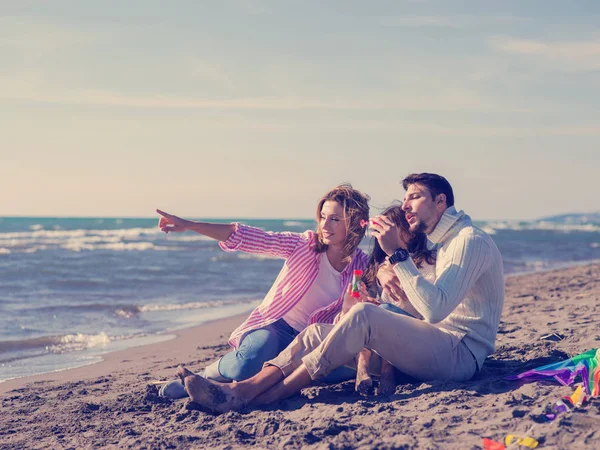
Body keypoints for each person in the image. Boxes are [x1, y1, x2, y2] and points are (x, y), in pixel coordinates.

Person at [174, 172, 505, 413]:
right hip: (434, 344)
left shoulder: (468, 241)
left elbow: (434, 310)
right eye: (323, 217)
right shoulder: (444, 244)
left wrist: (397, 258)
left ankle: (264, 395)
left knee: (364, 315)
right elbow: (249, 236)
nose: (405, 206)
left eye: (414, 197)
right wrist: (394, 270)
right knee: (317, 331)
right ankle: (242, 391)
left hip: (461, 355)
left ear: (440, 201)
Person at [156, 184, 371, 399]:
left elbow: (365, 306)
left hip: (311, 341)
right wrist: (190, 225)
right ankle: (201, 377)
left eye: (334, 219)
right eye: (322, 217)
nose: (325, 225)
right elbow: (244, 236)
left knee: (341, 372)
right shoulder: (304, 244)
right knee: (249, 364)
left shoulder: (362, 266)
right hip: (275, 327)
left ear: (353, 224)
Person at [353, 204, 436, 396]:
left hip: (411, 328)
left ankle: (387, 371)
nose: (387, 232)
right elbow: (358, 293)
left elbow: (428, 300)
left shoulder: (425, 261)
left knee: (385, 310)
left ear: (410, 232)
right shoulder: (377, 265)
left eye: (394, 227)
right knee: (363, 310)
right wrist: (364, 295)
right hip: (380, 331)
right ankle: (362, 365)